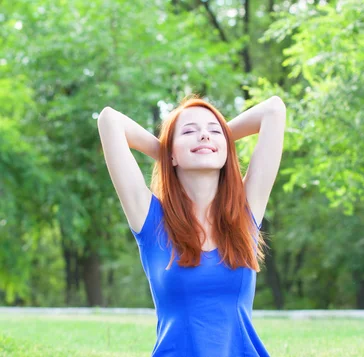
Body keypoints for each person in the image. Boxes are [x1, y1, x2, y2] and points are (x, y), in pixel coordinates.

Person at [97, 95, 286, 357]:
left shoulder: (245, 212)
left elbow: (274, 110)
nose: (204, 136)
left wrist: (210, 143)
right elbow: (109, 119)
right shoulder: (151, 220)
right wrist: (168, 153)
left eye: (213, 131)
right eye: (189, 131)